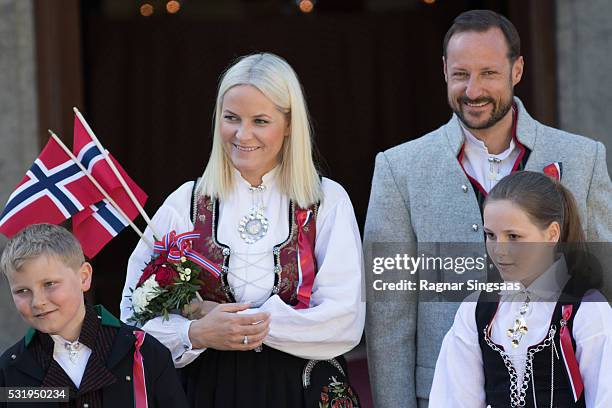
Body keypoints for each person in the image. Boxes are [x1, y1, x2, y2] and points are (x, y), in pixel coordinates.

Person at [364, 9, 612, 408]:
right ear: (444, 70)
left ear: (517, 70)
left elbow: (605, 280)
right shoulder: (399, 168)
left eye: (489, 74)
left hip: (564, 392)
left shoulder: (581, 157)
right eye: (461, 73)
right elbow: (388, 313)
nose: (472, 89)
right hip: (441, 394)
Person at [120, 52, 365, 407]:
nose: (242, 133)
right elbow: (133, 313)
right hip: (207, 389)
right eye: (231, 118)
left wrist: (240, 325)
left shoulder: (326, 200)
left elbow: (344, 319)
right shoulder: (185, 202)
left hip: (302, 388)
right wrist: (195, 332)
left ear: (290, 123)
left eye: (260, 121)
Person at [429, 171, 611, 407]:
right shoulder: (477, 309)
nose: (500, 250)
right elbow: (453, 399)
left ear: (552, 234)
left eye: (514, 236)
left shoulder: (587, 310)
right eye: (490, 235)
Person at [0, 223, 188, 408]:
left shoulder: (143, 351)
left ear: (84, 277)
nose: (37, 302)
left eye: (49, 284)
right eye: (22, 290)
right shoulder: (9, 371)